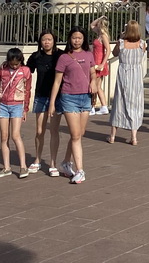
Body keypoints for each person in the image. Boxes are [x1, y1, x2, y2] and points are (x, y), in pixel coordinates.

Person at [48, 26, 94, 184]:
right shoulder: (64, 58)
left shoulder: (89, 54)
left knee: (79, 134)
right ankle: (80, 170)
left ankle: (66, 163)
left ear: (84, 39)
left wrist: (94, 82)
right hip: (69, 98)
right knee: (75, 135)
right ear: (69, 39)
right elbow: (57, 81)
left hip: (86, 97)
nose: (77, 41)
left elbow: (93, 72)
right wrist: (52, 103)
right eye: (74, 38)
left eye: (80, 38)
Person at [0, 47, 33, 179]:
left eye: (17, 63)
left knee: (15, 135)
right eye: (12, 63)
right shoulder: (2, 70)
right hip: (3, 104)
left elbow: (27, 90)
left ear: (21, 61)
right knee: (4, 136)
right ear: (8, 61)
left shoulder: (25, 71)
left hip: (17, 105)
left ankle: (23, 166)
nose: (14, 66)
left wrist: (25, 109)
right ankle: (6, 167)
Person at [26, 31, 64, 176]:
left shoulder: (60, 56)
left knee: (54, 130)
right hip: (41, 96)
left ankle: (53, 162)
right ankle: (37, 159)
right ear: (40, 42)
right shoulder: (36, 56)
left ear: (54, 41)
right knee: (39, 131)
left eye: (49, 39)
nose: (47, 42)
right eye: (44, 40)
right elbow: (26, 71)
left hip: (57, 97)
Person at [109, 21, 146, 145]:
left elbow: (114, 53)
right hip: (136, 76)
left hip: (123, 74)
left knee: (119, 103)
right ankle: (134, 137)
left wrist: (121, 37)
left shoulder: (121, 43)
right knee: (135, 104)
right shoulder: (142, 44)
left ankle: (113, 136)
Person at [89, 16, 111, 115]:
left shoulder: (103, 36)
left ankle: (92, 107)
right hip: (96, 61)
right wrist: (100, 17)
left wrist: (102, 63)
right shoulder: (99, 34)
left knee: (95, 85)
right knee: (97, 86)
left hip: (99, 62)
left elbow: (108, 50)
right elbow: (91, 25)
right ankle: (103, 106)